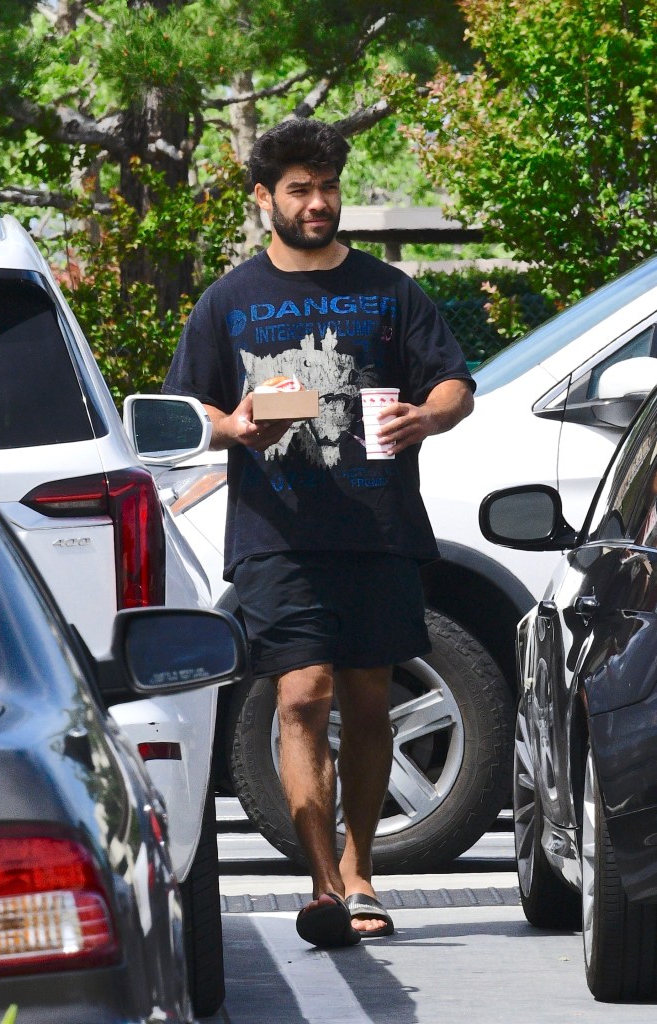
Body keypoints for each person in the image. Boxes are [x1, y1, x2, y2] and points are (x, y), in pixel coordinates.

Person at [163, 118, 475, 948]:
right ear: (264, 198)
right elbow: (188, 405)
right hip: (275, 532)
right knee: (301, 694)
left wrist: (425, 418)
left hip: (376, 527)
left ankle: (361, 865)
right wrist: (233, 428)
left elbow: (452, 381)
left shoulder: (388, 289)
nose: (318, 202)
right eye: (299, 189)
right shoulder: (229, 299)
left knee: (369, 696)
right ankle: (321, 886)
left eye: (327, 186)